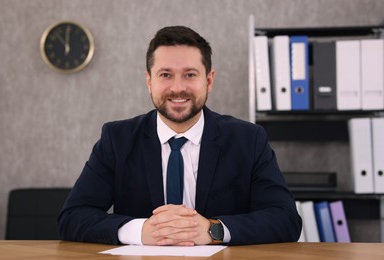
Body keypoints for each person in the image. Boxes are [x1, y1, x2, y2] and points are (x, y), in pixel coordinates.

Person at [58, 25, 302, 246]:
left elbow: (285, 219)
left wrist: (212, 230)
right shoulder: (117, 138)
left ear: (209, 81)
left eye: (190, 74)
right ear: (149, 81)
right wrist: (141, 231)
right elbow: (73, 217)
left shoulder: (248, 139)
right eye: (165, 75)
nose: (177, 88)